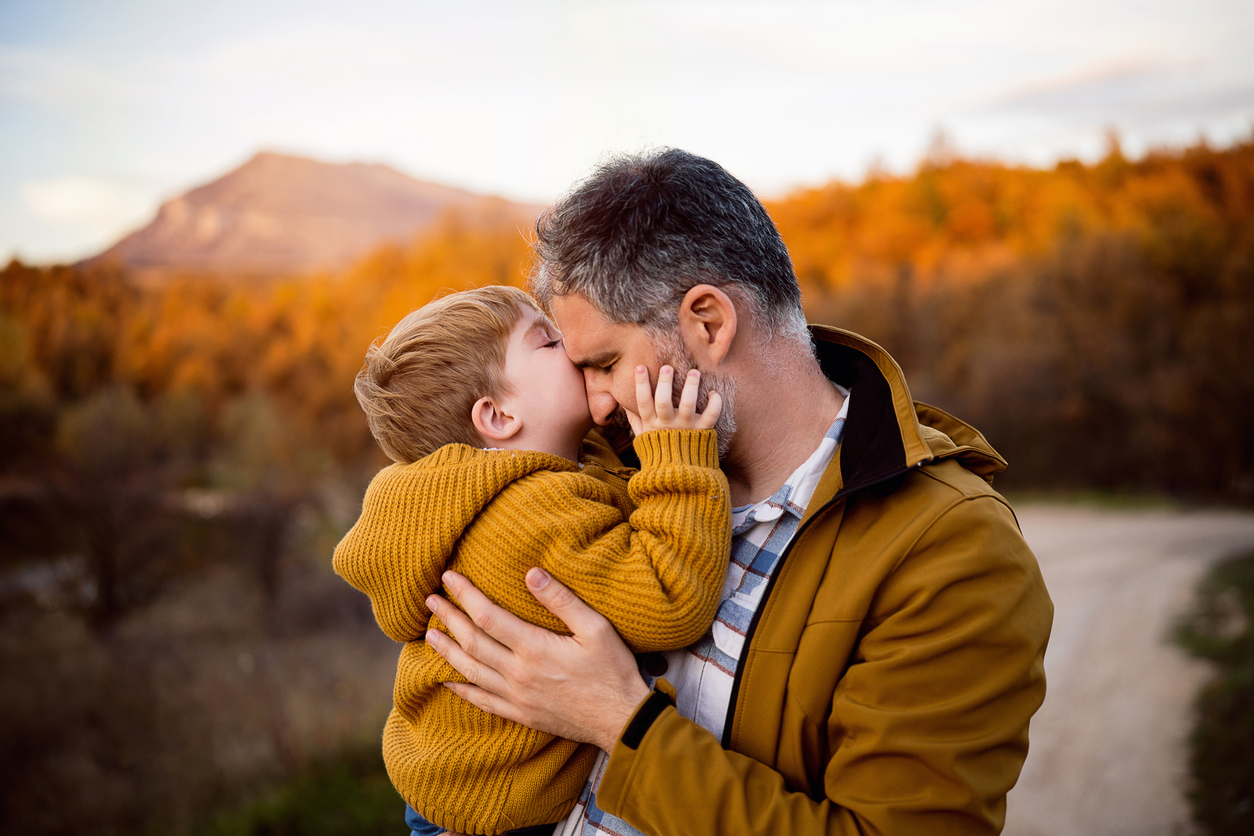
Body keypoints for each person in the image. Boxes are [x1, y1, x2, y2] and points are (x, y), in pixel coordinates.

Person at [421, 149, 1055, 836]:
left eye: (605, 363)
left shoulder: (953, 551)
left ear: (708, 324)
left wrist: (618, 720)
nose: (595, 404)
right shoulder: (612, 477)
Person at [332, 285, 732, 836]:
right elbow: (669, 602)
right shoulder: (530, 514)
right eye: (547, 341)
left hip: (449, 787)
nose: (570, 345)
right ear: (497, 416)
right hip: (493, 808)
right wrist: (679, 457)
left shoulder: (542, 472)